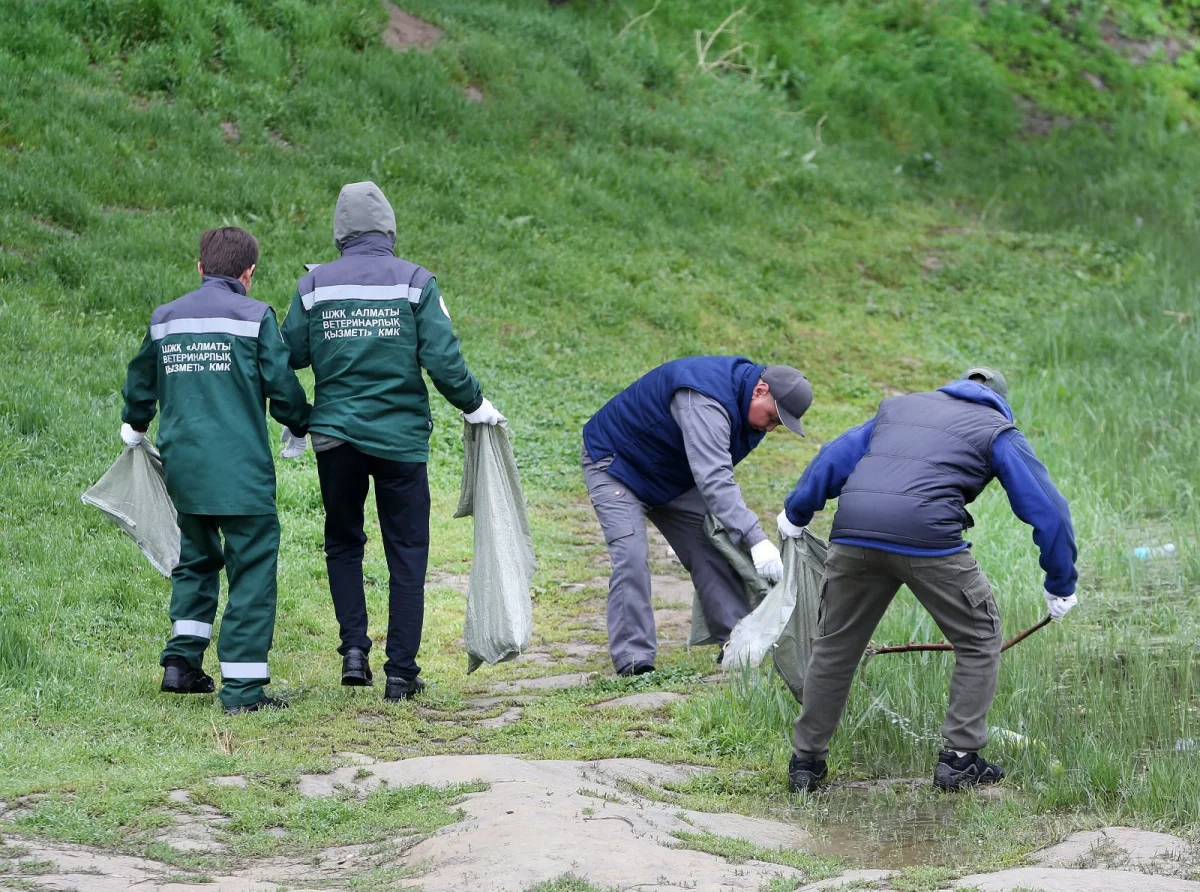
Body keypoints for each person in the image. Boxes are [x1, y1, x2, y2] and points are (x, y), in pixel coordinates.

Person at [777, 367, 1077, 792]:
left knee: (835, 647)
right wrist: (1061, 583)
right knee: (980, 636)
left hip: (854, 532)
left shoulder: (896, 409)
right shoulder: (997, 429)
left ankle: (805, 764)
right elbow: (1049, 509)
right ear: (1000, 402)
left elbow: (833, 455)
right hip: (929, 540)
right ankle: (960, 760)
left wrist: (796, 511)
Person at [280, 181, 503, 703]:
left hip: (335, 437)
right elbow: (442, 360)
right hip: (401, 440)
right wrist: (475, 405)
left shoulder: (314, 286)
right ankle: (401, 673)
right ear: (389, 228)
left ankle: (354, 653)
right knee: (406, 550)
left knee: (343, 542)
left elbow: (287, 353)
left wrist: (300, 413)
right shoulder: (415, 282)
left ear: (340, 232)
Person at [120, 227, 313, 714]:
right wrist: (300, 423)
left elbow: (141, 377)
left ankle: (181, 663)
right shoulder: (255, 317)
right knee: (252, 571)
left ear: (200, 267)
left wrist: (135, 423)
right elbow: (281, 385)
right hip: (241, 474)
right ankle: (243, 690)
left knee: (195, 560)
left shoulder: (166, 319)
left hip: (183, 468)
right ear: (249, 273)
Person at [582, 357, 813, 675]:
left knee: (711, 546)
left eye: (778, 424)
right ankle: (633, 659)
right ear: (760, 390)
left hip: (672, 476)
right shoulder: (704, 398)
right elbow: (714, 477)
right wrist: (756, 539)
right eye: (773, 417)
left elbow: (712, 470)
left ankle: (737, 644)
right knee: (630, 556)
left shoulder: (750, 410)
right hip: (617, 465)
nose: (770, 428)